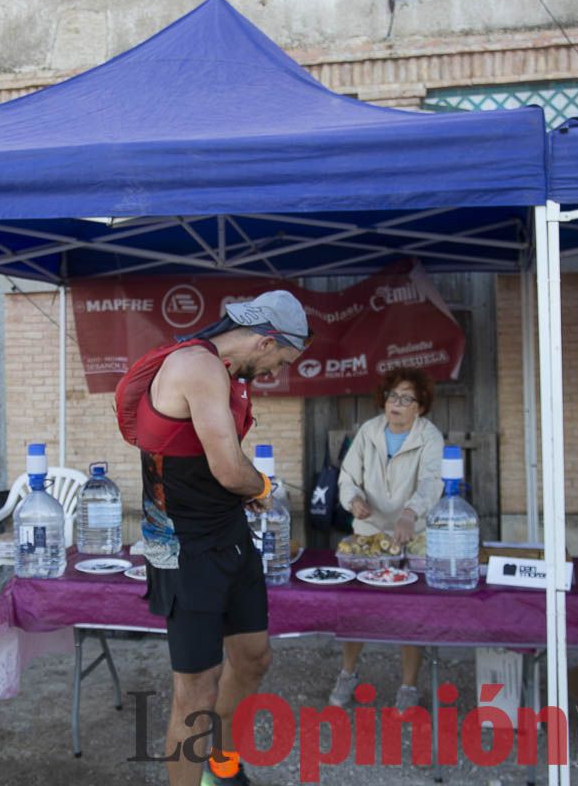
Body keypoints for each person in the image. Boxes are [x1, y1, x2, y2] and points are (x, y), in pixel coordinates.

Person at [115, 291, 309, 786]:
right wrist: (264, 486)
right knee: (195, 692)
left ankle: (221, 764)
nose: (272, 373)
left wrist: (249, 491)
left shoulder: (225, 370)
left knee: (253, 657)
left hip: (229, 534)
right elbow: (228, 470)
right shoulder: (195, 366)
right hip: (184, 548)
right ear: (266, 341)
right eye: (279, 361)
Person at [328, 368, 444, 711]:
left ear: (419, 407)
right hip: (369, 531)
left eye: (406, 398)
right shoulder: (369, 430)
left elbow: (431, 482)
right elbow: (348, 476)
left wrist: (411, 512)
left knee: (411, 610)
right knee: (356, 607)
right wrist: (354, 500)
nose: (396, 403)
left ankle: (408, 685)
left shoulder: (430, 437)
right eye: (393, 396)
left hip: (412, 532)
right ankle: (347, 672)